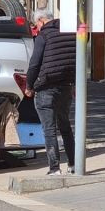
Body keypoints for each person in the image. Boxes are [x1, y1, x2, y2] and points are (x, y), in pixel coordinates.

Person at [24, 10, 76, 175]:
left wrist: (29, 86)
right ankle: (73, 164)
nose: (37, 28)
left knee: (49, 128)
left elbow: (34, 63)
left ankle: (54, 168)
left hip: (46, 86)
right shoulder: (70, 33)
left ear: (41, 21)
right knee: (65, 126)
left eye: (36, 25)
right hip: (66, 86)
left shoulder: (44, 35)